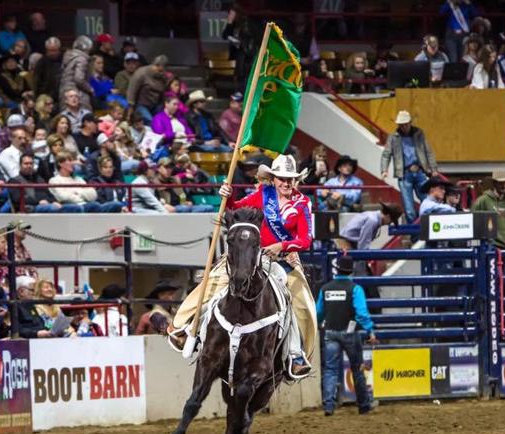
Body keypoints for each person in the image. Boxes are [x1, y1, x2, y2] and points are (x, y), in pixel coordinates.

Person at [172, 154, 316, 377]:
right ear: (273, 179)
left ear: (296, 180)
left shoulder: (302, 203)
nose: (286, 183)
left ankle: (296, 354)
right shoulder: (263, 195)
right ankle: (188, 327)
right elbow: (236, 210)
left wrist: (282, 246)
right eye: (282, 178)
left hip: (282, 261)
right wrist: (228, 198)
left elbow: (306, 239)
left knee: (298, 302)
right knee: (216, 283)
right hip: (252, 256)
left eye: (290, 179)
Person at [317, 254, 376, 416]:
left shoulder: (326, 288)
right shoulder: (355, 289)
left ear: (337, 270)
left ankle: (329, 405)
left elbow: (319, 312)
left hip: (330, 332)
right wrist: (370, 330)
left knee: (330, 369)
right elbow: (361, 313)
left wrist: (318, 323)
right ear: (350, 271)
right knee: (357, 368)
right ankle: (364, 404)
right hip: (350, 333)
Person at [380, 110, 438, 223]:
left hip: (420, 172)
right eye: (401, 125)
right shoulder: (393, 138)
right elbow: (386, 154)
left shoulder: (419, 134)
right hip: (405, 174)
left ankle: (428, 225)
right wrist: (384, 170)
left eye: (406, 124)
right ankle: (415, 234)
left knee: (427, 201)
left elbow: (428, 151)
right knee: (409, 207)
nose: (404, 127)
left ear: (410, 123)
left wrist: (433, 168)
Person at [49, 152, 122, 212]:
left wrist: (77, 193)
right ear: (60, 164)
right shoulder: (54, 180)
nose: (73, 163)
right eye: (70, 161)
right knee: (92, 206)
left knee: (116, 205)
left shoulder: (78, 179)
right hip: (72, 208)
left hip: (88, 205)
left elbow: (93, 194)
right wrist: (82, 195)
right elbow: (63, 197)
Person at [10, 152, 79, 213]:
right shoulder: (15, 181)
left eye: (31, 163)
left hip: (48, 204)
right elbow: (18, 199)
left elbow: (49, 194)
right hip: (32, 207)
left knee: (75, 207)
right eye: (26, 163)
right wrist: (38, 202)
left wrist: (54, 201)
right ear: (20, 165)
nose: (29, 166)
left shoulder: (39, 179)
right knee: (53, 208)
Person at [472, 170, 505, 250]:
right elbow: (472, 218)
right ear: (494, 183)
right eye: (501, 183)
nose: (504, 185)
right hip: (491, 246)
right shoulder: (483, 200)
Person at [338, 202, 403, 251]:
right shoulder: (373, 220)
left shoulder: (373, 216)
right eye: (391, 221)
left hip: (349, 242)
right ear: (388, 216)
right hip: (345, 244)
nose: (389, 224)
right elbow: (363, 245)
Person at [126, 55, 169, 125]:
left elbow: (163, 92)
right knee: (151, 122)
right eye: (159, 70)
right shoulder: (141, 73)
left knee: (162, 120)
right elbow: (132, 90)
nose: (161, 72)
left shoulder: (162, 76)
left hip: (156, 104)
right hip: (141, 104)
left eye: (163, 71)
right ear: (156, 65)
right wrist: (130, 108)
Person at [59, 36, 93, 111]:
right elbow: (79, 79)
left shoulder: (67, 56)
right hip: (77, 93)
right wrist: (90, 89)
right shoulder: (82, 59)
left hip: (64, 91)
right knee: (84, 116)